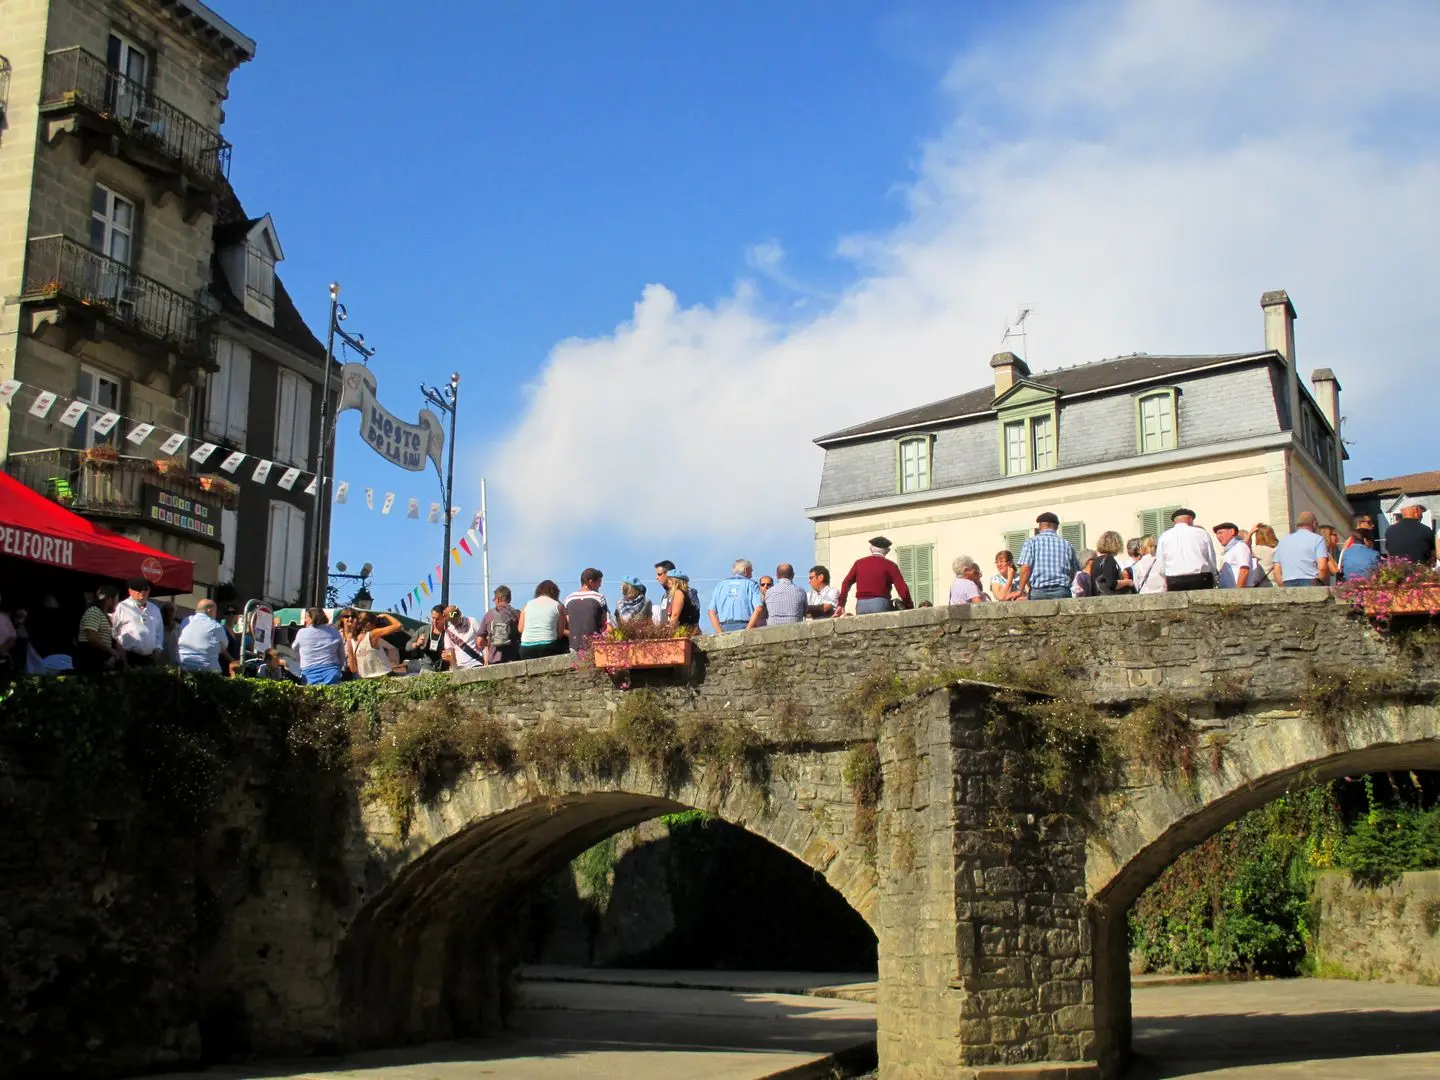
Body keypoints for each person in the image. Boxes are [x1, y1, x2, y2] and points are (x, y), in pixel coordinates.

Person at [839, 537, 913, 614]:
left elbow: (846, 582)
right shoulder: (890, 565)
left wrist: (841, 604)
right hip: (880, 604)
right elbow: (902, 588)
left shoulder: (859, 563)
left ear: (871, 548)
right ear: (887, 551)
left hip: (861, 605)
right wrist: (909, 605)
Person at [1014, 514, 1080, 601]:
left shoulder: (1031, 543)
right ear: (1056, 527)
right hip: (1062, 591)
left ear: (1040, 526)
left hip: (1038, 591)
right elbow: (1074, 571)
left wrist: (1020, 590)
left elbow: (1026, 568)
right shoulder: (1067, 544)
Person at [1154, 509, 1218, 591]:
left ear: (1174, 521)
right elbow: (1211, 558)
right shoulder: (1201, 533)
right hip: (1201, 579)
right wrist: (1213, 574)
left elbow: (1160, 564)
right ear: (1190, 519)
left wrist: (1166, 576)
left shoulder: (1164, 536)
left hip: (1174, 580)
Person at [1272, 511, 1333, 587]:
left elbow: (1276, 569)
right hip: (1311, 581)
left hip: (1288, 582)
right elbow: (1322, 568)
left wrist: (1283, 586)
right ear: (1314, 523)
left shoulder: (1283, 541)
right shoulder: (1318, 539)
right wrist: (1320, 583)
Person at [112, 579, 166, 666]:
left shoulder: (155, 609)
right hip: (127, 656)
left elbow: (159, 632)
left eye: (145, 589)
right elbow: (113, 630)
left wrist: (158, 648)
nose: (141, 592)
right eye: (138, 589)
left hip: (149, 658)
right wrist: (119, 650)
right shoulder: (122, 607)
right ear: (130, 591)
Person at [176, 599, 235, 674]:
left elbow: (179, 639)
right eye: (215, 611)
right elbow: (224, 646)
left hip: (183, 666)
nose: (215, 614)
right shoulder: (216, 626)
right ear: (209, 610)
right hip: (206, 669)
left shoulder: (186, 621)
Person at [74, 585, 124, 674]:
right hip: (90, 660)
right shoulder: (94, 611)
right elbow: (91, 636)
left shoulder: (101, 614)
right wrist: (111, 650)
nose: (117, 603)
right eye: (116, 599)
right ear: (109, 599)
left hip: (98, 660)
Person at [709, 558, 765, 633]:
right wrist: (748, 630)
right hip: (745, 626)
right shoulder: (751, 584)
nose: (752, 574)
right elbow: (759, 608)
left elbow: (711, 611)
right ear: (745, 570)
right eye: (751, 570)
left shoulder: (720, 585)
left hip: (724, 627)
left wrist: (720, 633)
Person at [294, 607, 346, 685]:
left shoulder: (302, 632)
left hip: (309, 673)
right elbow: (341, 655)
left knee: (311, 696)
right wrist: (339, 668)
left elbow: (294, 647)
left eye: (306, 618)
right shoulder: (334, 632)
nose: (305, 620)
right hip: (331, 671)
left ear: (311, 619)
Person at [518, 580, 568, 659]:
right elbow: (560, 633)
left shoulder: (527, 604)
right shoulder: (558, 606)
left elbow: (520, 629)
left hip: (526, 649)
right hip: (548, 648)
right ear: (556, 593)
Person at [564, 569, 611, 651]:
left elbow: (568, 622)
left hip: (573, 646)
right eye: (599, 583)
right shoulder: (599, 597)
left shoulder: (568, 599)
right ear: (591, 582)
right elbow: (606, 623)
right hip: (594, 645)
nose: (600, 586)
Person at [1383, 498, 1439, 566]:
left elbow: (1388, 554)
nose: (1422, 515)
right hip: (1421, 573)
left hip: (1396, 573)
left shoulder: (1389, 531)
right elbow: (1433, 555)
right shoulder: (1425, 530)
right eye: (1421, 511)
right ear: (1416, 510)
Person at [353, 611, 406, 678]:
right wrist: (386, 615)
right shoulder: (373, 634)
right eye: (375, 624)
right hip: (382, 675)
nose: (376, 626)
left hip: (365, 678)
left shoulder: (353, 638)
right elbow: (398, 625)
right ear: (369, 623)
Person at [479, 586, 521, 665]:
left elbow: (479, 641)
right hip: (514, 658)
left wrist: (491, 640)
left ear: (497, 599)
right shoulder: (517, 614)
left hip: (494, 660)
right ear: (509, 599)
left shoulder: (489, 615)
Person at [441, 605, 487, 669]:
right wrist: (454, 668)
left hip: (476, 663)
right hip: (460, 667)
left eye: (455, 620)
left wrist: (486, 661)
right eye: (452, 621)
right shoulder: (449, 632)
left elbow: (484, 641)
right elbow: (450, 651)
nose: (454, 623)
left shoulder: (472, 622)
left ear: (460, 615)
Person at [407, 604, 449, 672]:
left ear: (444, 618)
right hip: (426, 665)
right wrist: (416, 644)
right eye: (433, 618)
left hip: (442, 667)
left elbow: (454, 653)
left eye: (437, 619)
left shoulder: (449, 633)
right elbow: (407, 647)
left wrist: (449, 656)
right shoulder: (424, 630)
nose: (434, 621)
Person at [1212, 522, 1254, 589]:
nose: (1218, 536)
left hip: (1237, 594)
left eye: (1220, 533)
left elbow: (1244, 570)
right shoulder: (1230, 550)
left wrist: (1237, 593)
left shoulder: (1240, 546)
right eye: (1217, 534)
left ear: (1232, 532)